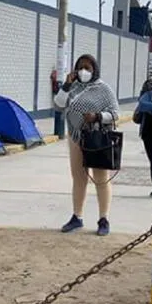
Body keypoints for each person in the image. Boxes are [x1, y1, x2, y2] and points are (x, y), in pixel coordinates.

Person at [54, 54, 120, 236]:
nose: (84, 71)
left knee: (100, 178)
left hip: (97, 138)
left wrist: (98, 116)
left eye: (88, 68)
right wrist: (66, 85)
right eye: (80, 67)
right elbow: (58, 105)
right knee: (79, 178)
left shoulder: (103, 89)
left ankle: (103, 218)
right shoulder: (72, 88)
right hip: (76, 138)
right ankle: (77, 216)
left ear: (94, 70)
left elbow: (115, 113)